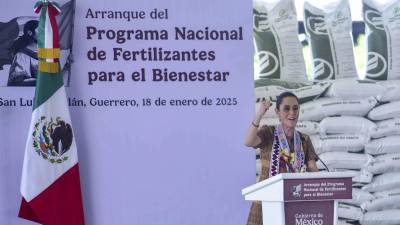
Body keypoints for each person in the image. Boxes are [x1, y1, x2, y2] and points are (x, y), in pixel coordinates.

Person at [244, 91, 318, 225]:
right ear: (277, 111)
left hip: (294, 201)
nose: (292, 112)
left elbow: (313, 169)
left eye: (295, 108)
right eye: (286, 108)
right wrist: (259, 114)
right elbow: (248, 142)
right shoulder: (269, 133)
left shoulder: (304, 139)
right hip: (266, 201)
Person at [7, 20, 38, 86]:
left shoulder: (49, 51)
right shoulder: (22, 55)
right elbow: (19, 80)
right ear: (30, 32)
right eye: (41, 30)